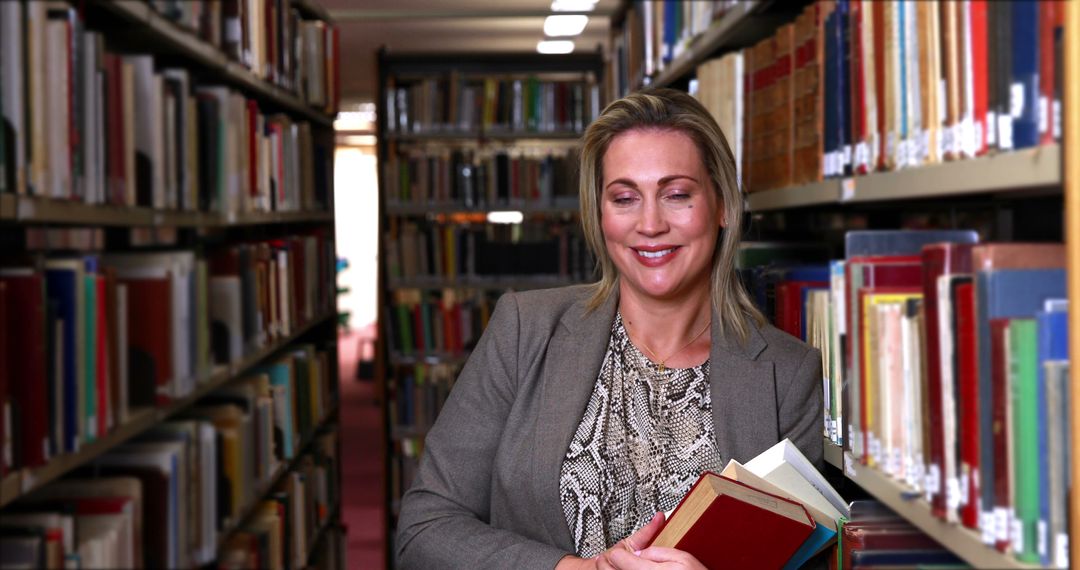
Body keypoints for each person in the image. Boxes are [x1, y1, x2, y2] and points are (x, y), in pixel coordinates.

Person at [396, 88, 824, 569]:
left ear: (723, 206)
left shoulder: (788, 374)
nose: (650, 223)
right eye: (624, 198)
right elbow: (424, 527)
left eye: (677, 194)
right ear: (599, 216)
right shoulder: (524, 330)